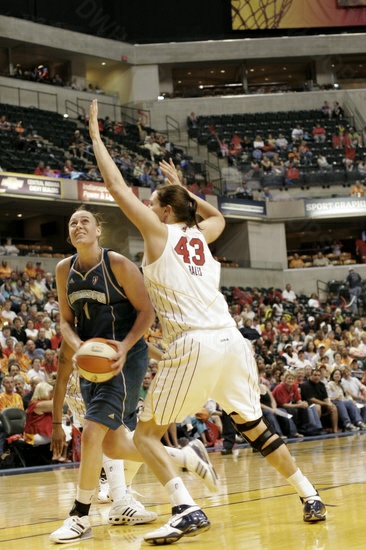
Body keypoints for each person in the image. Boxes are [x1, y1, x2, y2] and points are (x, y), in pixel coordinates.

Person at [88, 99, 327, 544]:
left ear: (162, 212)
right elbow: (216, 215)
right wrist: (182, 186)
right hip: (233, 342)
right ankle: (310, 495)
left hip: (194, 344)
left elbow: (118, 188)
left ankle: (186, 508)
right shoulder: (201, 233)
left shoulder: (160, 233)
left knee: (146, 436)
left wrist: (98, 140)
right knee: (256, 429)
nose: (151, 207)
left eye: (157, 202)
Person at [50, 207, 217, 543]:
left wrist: (125, 346)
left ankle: (80, 515)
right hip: (92, 361)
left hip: (125, 359)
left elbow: (147, 312)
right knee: (113, 443)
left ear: (98, 230)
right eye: (72, 223)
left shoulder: (118, 265)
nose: (77, 226)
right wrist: (78, 345)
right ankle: (184, 456)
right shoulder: (63, 270)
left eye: (84, 221)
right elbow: (65, 322)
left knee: (94, 430)